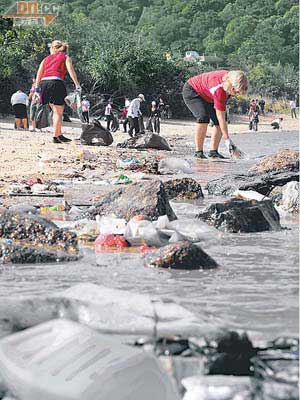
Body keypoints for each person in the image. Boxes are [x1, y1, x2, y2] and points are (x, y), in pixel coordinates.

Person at [182, 70, 248, 159]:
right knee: (203, 117)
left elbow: (221, 118)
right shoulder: (219, 89)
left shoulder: (231, 78)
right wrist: (227, 140)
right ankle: (198, 152)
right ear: (231, 85)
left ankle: (213, 152)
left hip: (208, 96)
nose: (236, 94)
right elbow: (221, 117)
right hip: (193, 90)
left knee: (219, 121)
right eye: (236, 92)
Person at [33, 40, 80, 143]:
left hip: (44, 83)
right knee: (58, 112)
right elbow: (70, 70)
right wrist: (77, 84)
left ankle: (58, 134)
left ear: (53, 48)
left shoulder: (45, 59)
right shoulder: (65, 57)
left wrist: (36, 89)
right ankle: (55, 136)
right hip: (56, 82)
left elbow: (39, 74)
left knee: (55, 110)